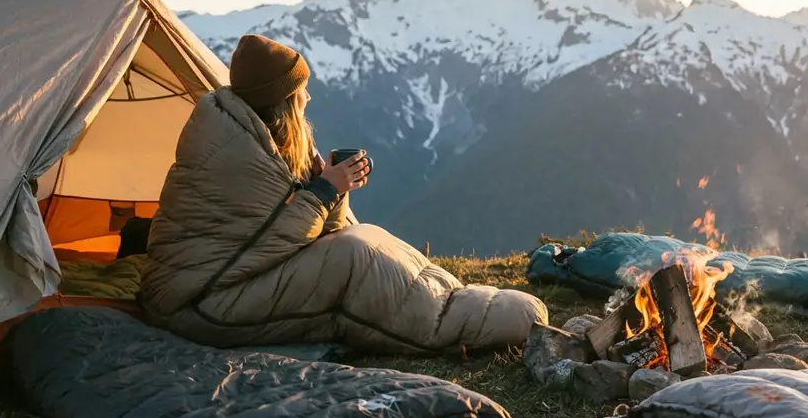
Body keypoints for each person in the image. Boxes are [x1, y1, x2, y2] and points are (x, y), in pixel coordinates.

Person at [138, 34, 547, 352]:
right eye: (301, 92)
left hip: (210, 289)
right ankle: (459, 321)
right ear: (281, 101)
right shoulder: (236, 154)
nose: (309, 97)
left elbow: (309, 235)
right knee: (352, 256)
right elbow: (265, 246)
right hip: (198, 306)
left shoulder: (251, 135)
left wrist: (333, 188)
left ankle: (454, 300)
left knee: (361, 237)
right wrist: (322, 190)